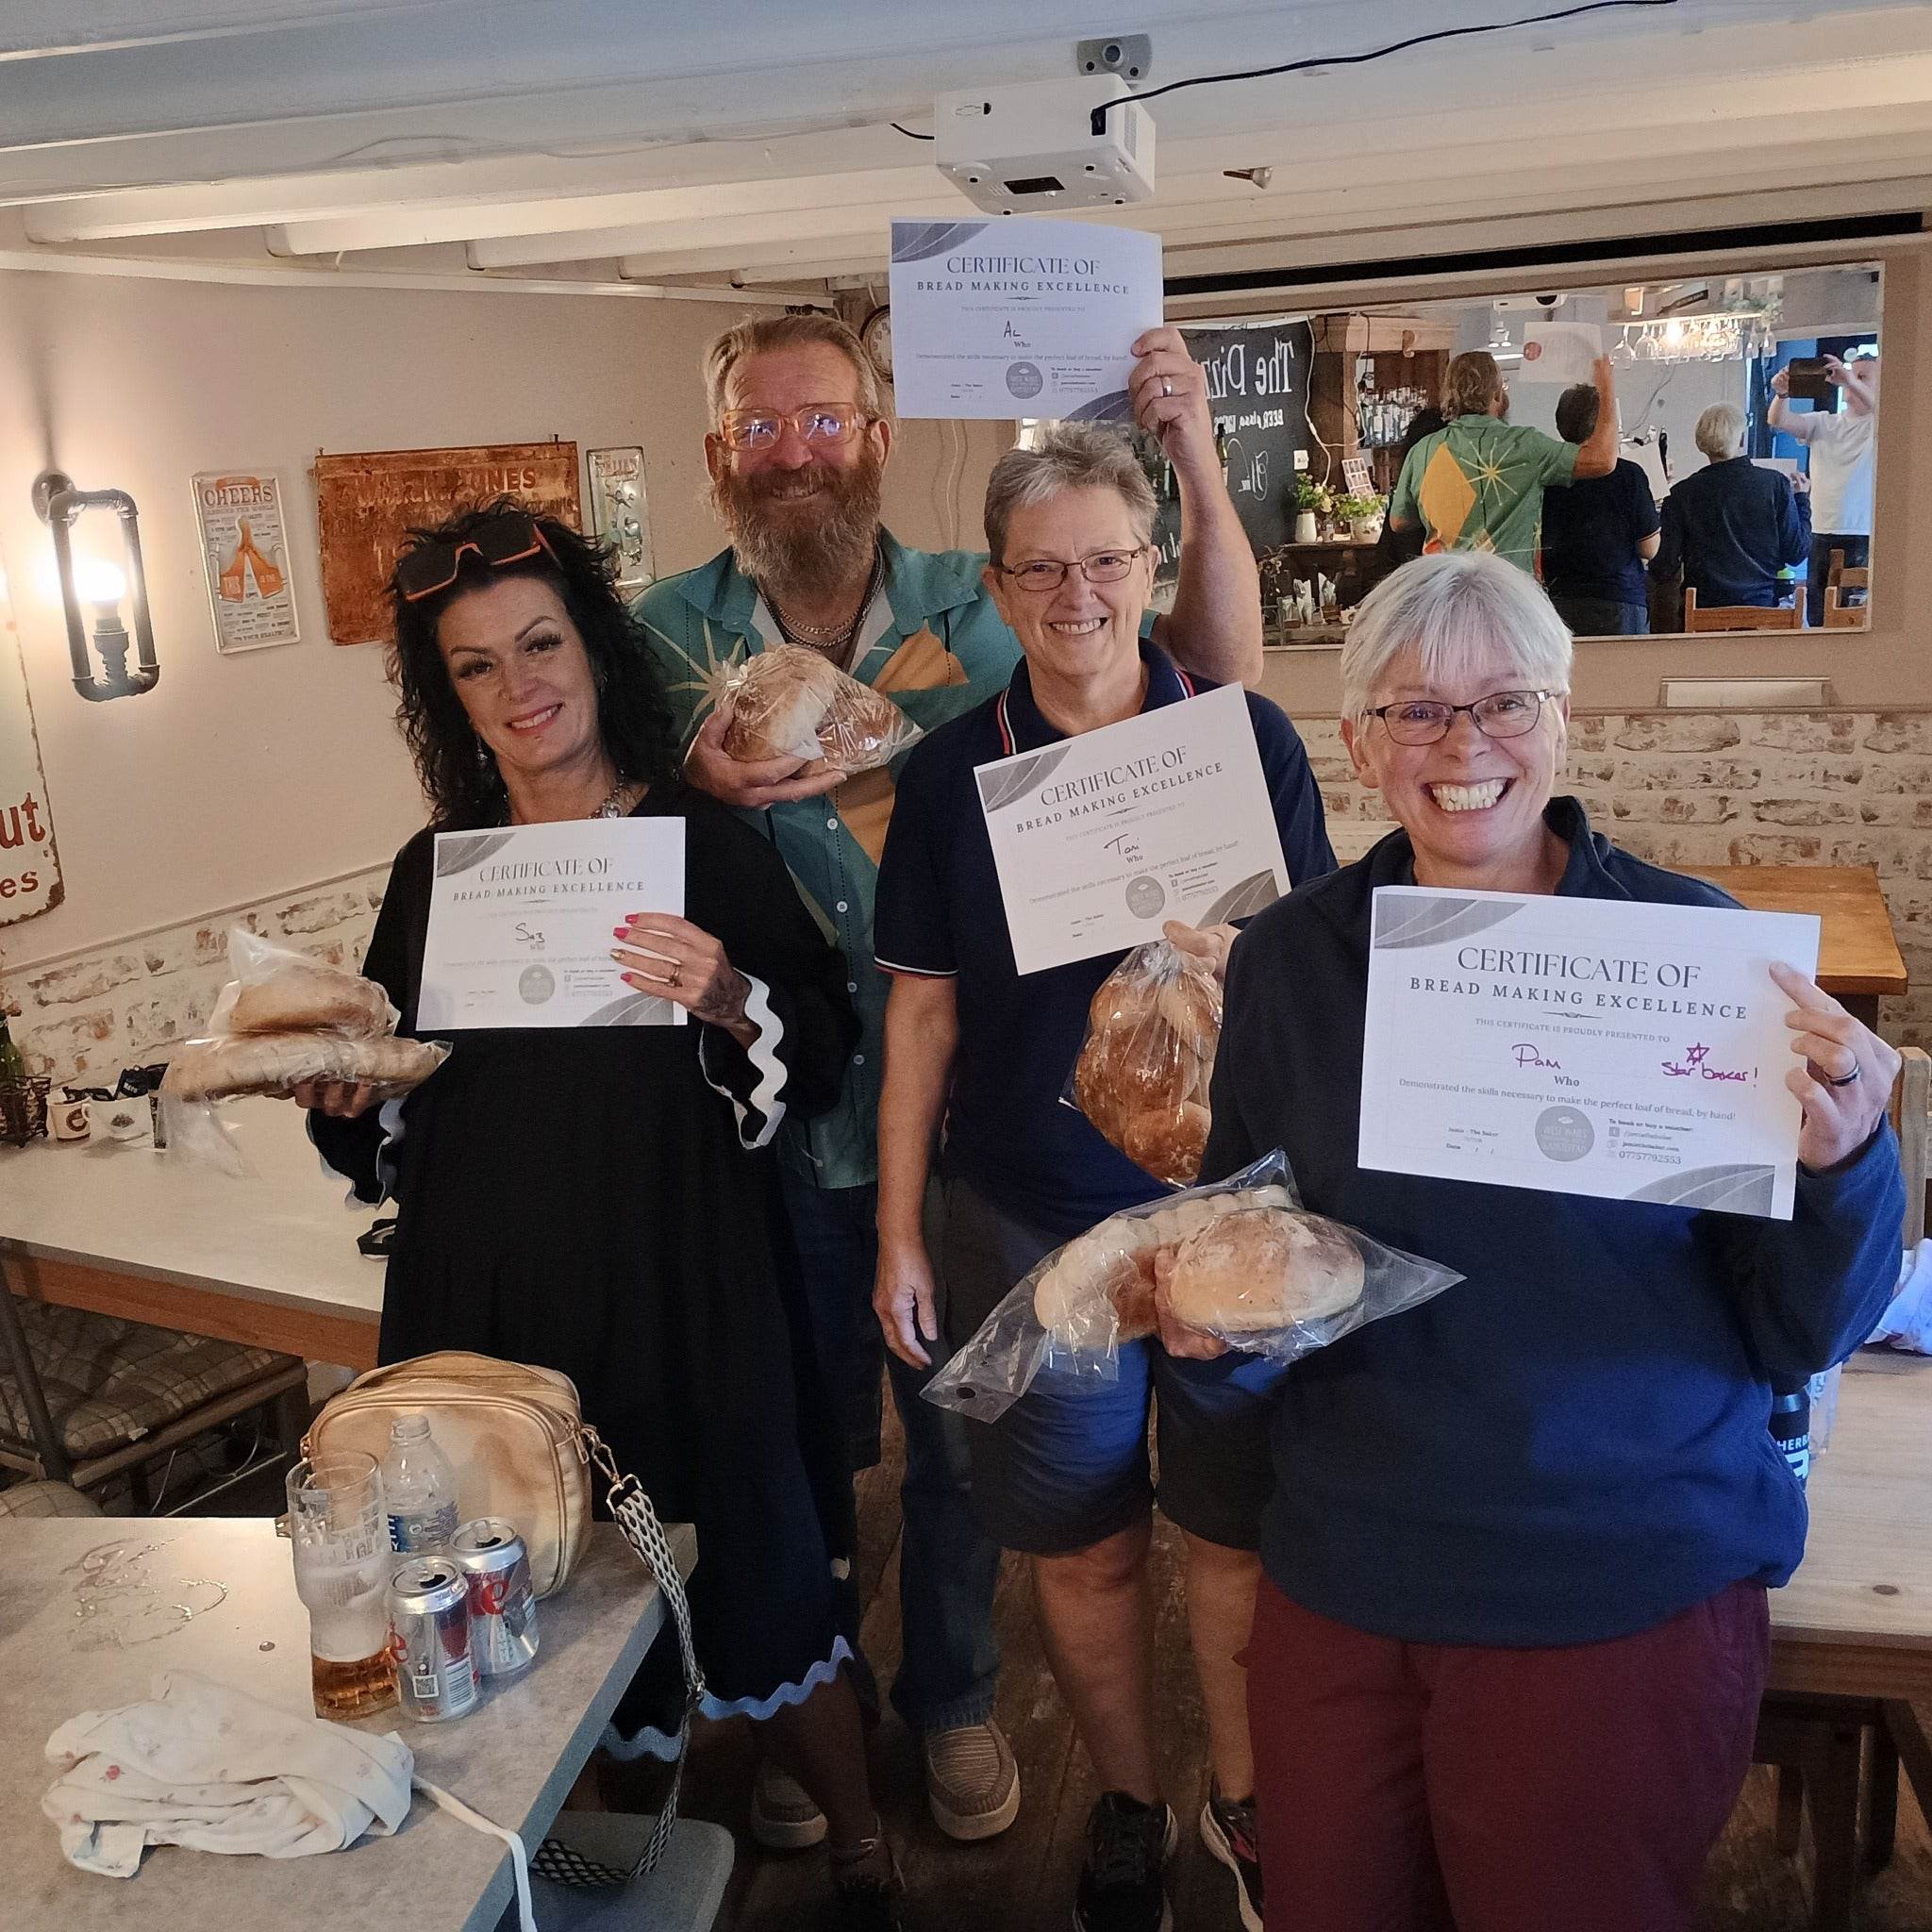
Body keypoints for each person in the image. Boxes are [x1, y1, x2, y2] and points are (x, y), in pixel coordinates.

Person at [1180, 551, 1905, 1932]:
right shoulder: (1290, 962)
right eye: (1416, 712)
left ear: (1565, 721)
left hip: (1612, 1579)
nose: (1464, 747)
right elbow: (1249, 1267)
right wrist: (1205, 1336)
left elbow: (1804, 1329)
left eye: (1506, 703)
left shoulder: (1698, 955)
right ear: (1359, 744)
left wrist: (1851, 1163)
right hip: (1349, 1572)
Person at [632, 311, 1264, 1849]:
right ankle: (807, 1703)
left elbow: (1202, 686)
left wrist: (1184, 444)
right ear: (719, 454)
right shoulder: (652, 640)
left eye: (824, 420)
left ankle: (957, 1697)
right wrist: (684, 787)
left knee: (962, 1453)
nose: (797, 451)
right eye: (763, 428)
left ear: (877, 435)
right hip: (765, 1126)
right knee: (797, 1449)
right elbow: (581, 825)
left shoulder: (976, 606)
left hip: (974, 1130)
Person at [298, 505, 909, 1928]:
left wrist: (732, 996)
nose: (521, 686)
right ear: (446, 699)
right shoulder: (434, 873)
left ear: (590, 648)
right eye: (474, 667)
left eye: (539, 642)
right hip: (492, 1304)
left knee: (754, 1564)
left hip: (684, 1276)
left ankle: (867, 1845)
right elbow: (406, 1100)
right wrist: (345, 1099)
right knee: (540, 1593)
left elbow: (816, 1045)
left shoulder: (700, 841)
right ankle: (583, 1865)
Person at [871, 423, 1335, 1932]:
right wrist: (899, 1228)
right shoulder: (949, 779)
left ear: (1153, 566)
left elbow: (1313, 974)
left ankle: (1247, 1802)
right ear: (1000, 591)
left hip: (1229, 1206)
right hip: (1025, 1206)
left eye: (1108, 560)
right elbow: (923, 1008)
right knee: (1076, 1549)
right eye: (1042, 567)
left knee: (1236, 1537)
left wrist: (1244, 955)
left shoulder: (1242, 739)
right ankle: (1132, 1802)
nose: (1079, 593)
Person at [1386, 350, 1617, 575]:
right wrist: (1605, 386)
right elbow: (1603, 460)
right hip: (1511, 593)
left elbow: (1399, 521)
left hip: (1445, 591)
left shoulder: (1423, 450)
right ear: (1497, 394)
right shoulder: (1525, 445)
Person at [1651, 402, 1810, 613]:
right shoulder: (1775, 484)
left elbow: (1664, 567)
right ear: (1742, 439)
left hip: (1703, 611)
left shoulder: (1681, 494)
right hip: (1761, 608)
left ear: (1700, 442)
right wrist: (1801, 500)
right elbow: (1796, 553)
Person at [1540, 380, 1660, 635]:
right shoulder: (1628, 475)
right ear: (1603, 425)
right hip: (1619, 599)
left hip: (1559, 601)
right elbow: (1650, 548)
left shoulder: (1546, 476)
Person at [1770, 352, 1878, 625]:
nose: (1850, 379)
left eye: (1863, 376)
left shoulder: (1878, 424)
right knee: (1818, 614)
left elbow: (1880, 408)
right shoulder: (1824, 422)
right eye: (1854, 374)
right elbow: (1778, 420)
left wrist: (1850, 380)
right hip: (1821, 529)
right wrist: (1783, 394)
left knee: (1855, 615)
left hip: (1861, 531)